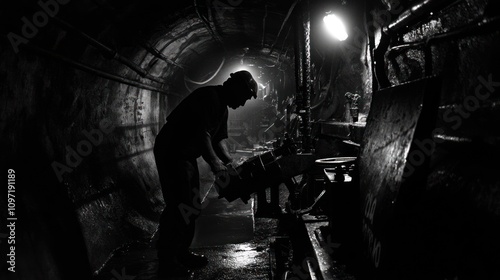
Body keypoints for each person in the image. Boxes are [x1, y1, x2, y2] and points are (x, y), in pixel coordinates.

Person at [153, 70, 258, 277]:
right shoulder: (208, 97)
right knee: (180, 205)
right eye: (244, 97)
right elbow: (202, 133)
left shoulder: (222, 108)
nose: (244, 104)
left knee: (191, 205)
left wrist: (228, 162)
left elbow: (218, 138)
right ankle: (167, 260)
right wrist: (215, 163)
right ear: (235, 86)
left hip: (185, 155)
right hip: (172, 151)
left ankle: (181, 252)